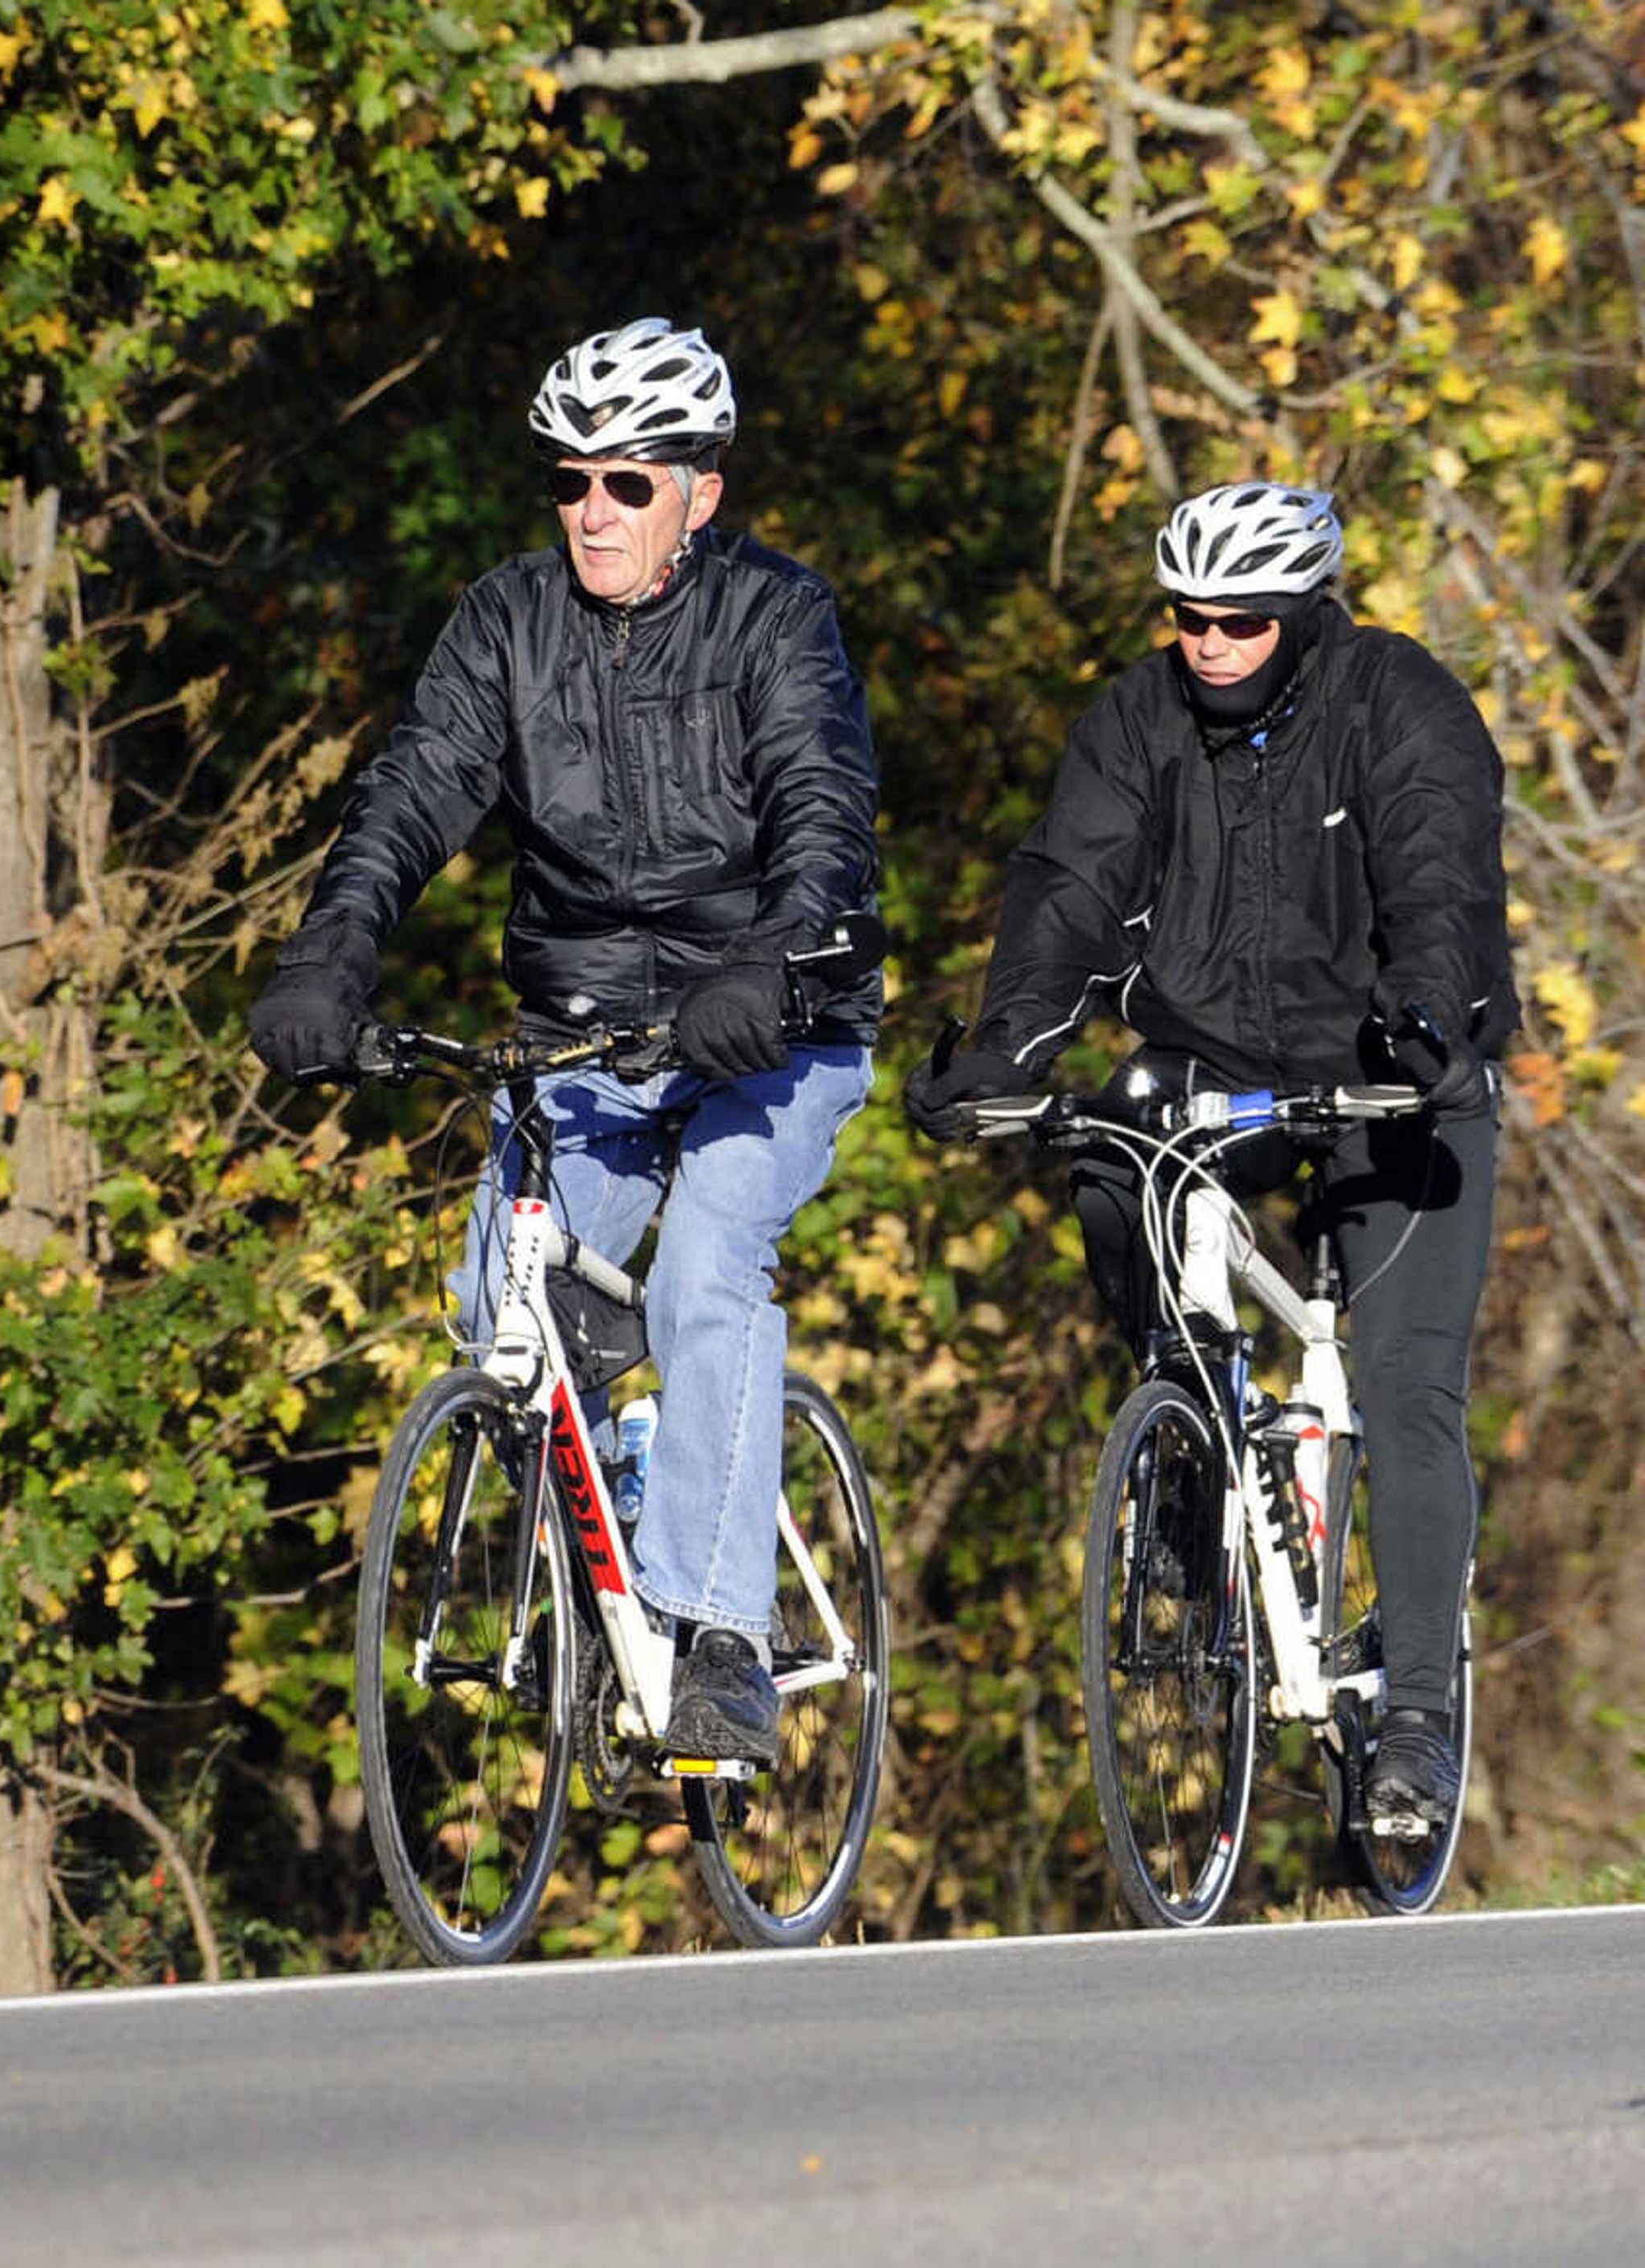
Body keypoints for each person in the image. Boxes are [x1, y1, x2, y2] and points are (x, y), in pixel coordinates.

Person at [248, 318, 882, 1761]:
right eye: (571, 481)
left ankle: (719, 1634)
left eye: (629, 482)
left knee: (710, 1264)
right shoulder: (507, 621)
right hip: (587, 1031)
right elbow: (416, 793)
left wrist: (771, 963)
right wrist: (328, 952)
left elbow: (823, 819)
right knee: (501, 1311)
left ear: (700, 493)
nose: (594, 509)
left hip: (773, 1024)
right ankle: (657, 1489)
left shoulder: (780, 622)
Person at [906, 479, 1510, 1838]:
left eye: (1242, 621)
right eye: (1189, 618)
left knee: (1408, 1386)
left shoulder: (1396, 700)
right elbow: (1069, 883)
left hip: (1391, 1064)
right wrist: (1005, 1047)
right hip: (1211, 1054)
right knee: (1110, 1152)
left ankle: (1414, 1718)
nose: (1212, 644)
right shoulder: (1139, 716)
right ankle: (1186, 1440)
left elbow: (1440, 875)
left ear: (1302, 618)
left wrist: (1427, 1014)